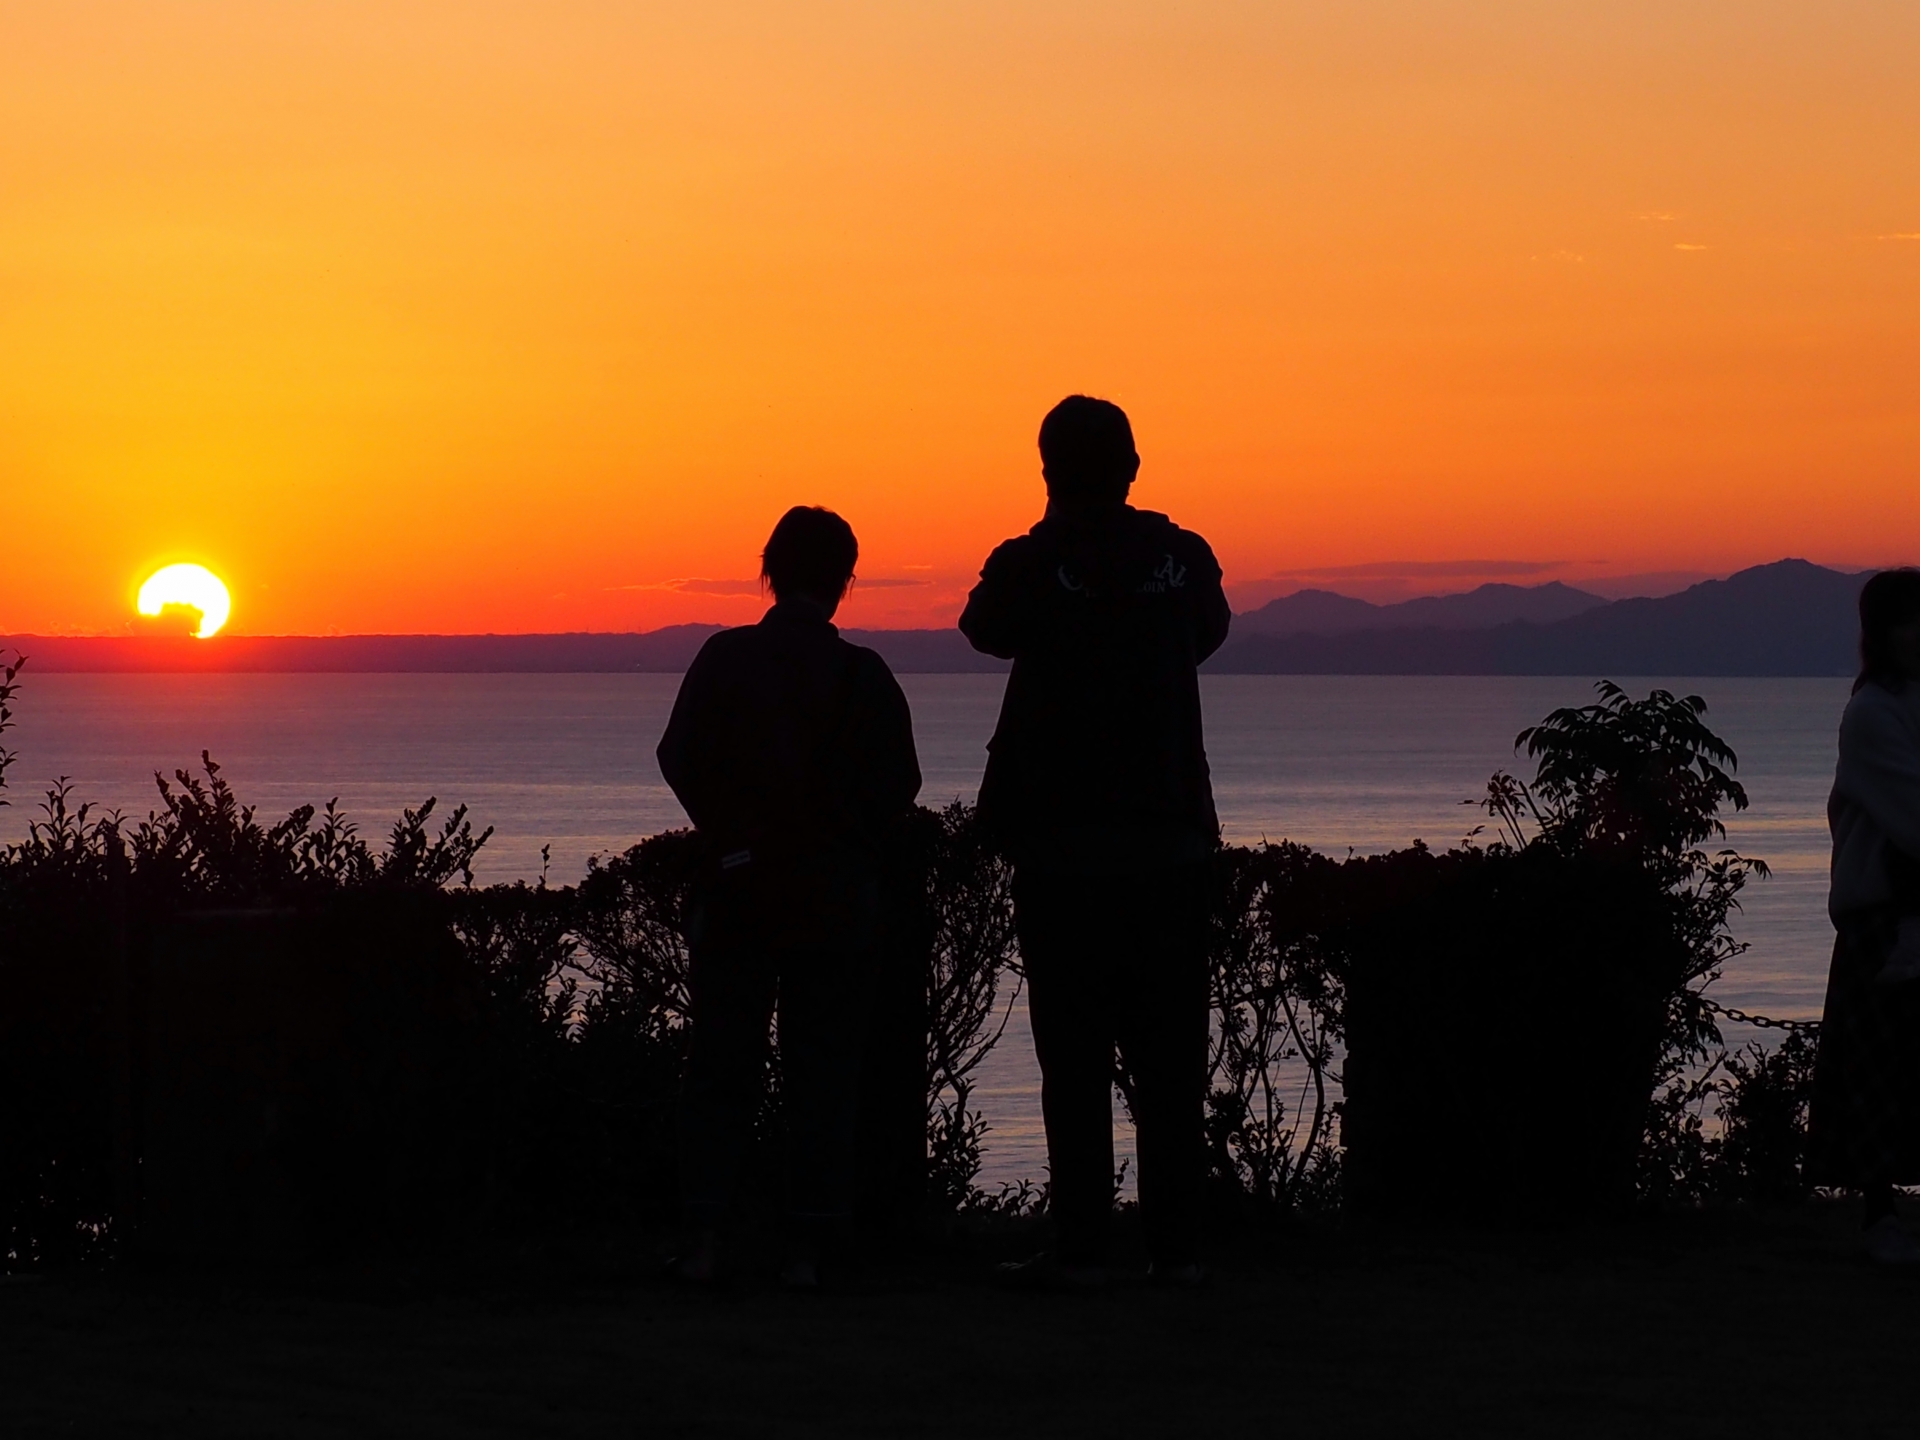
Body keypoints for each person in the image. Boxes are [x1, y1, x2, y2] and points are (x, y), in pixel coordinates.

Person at [959, 395, 1230, 1288]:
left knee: (1071, 1061)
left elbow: (983, 625)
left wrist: (1056, 534)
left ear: (1047, 472)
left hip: (1063, 852)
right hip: (1169, 848)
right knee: (1170, 1062)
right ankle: (1177, 1249)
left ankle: (1081, 1247)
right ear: (1133, 466)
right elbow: (1208, 633)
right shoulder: (1182, 560)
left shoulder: (1033, 565)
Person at [657, 505, 921, 1287]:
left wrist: (730, 837)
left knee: (719, 1066)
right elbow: (898, 783)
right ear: (843, 581)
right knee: (823, 1072)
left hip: (739, 893)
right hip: (837, 898)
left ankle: (704, 1240)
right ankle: (808, 1248)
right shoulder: (863, 675)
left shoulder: (724, 658)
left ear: (768, 568)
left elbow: (680, 756)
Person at [1811, 567, 1920, 1266]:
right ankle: (1879, 1216)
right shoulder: (1873, 712)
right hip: (1885, 913)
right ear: (1879, 633)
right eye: (1906, 620)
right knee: (1880, 1067)